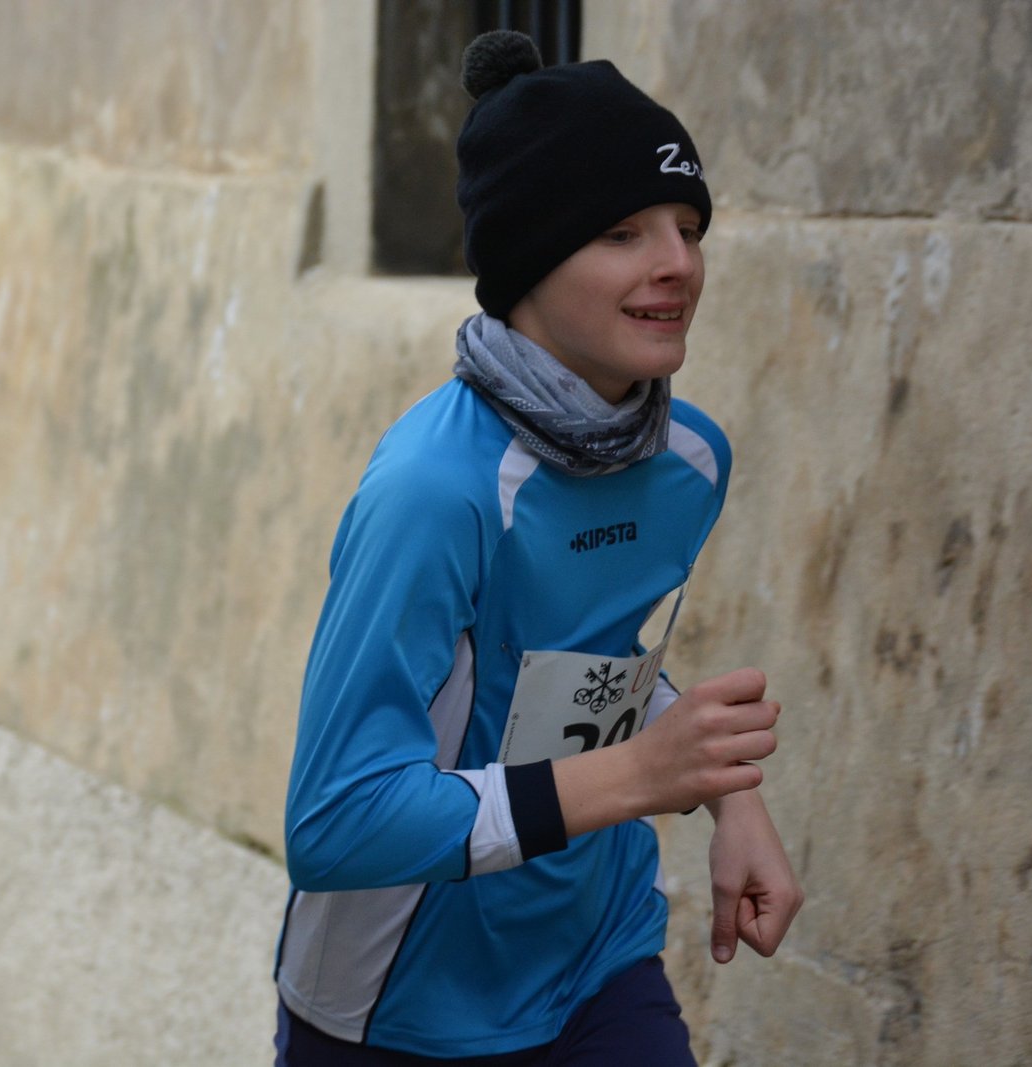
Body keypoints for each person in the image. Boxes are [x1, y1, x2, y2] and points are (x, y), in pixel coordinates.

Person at [274, 30, 802, 1066]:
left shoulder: (690, 458)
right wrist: (642, 775)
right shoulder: (433, 490)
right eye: (621, 232)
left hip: (600, 959)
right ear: (528, 257)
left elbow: (575, 666)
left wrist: (730, 795)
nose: (677, 263)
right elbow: (336, 822)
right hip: (403, 1007)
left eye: (688, 227)